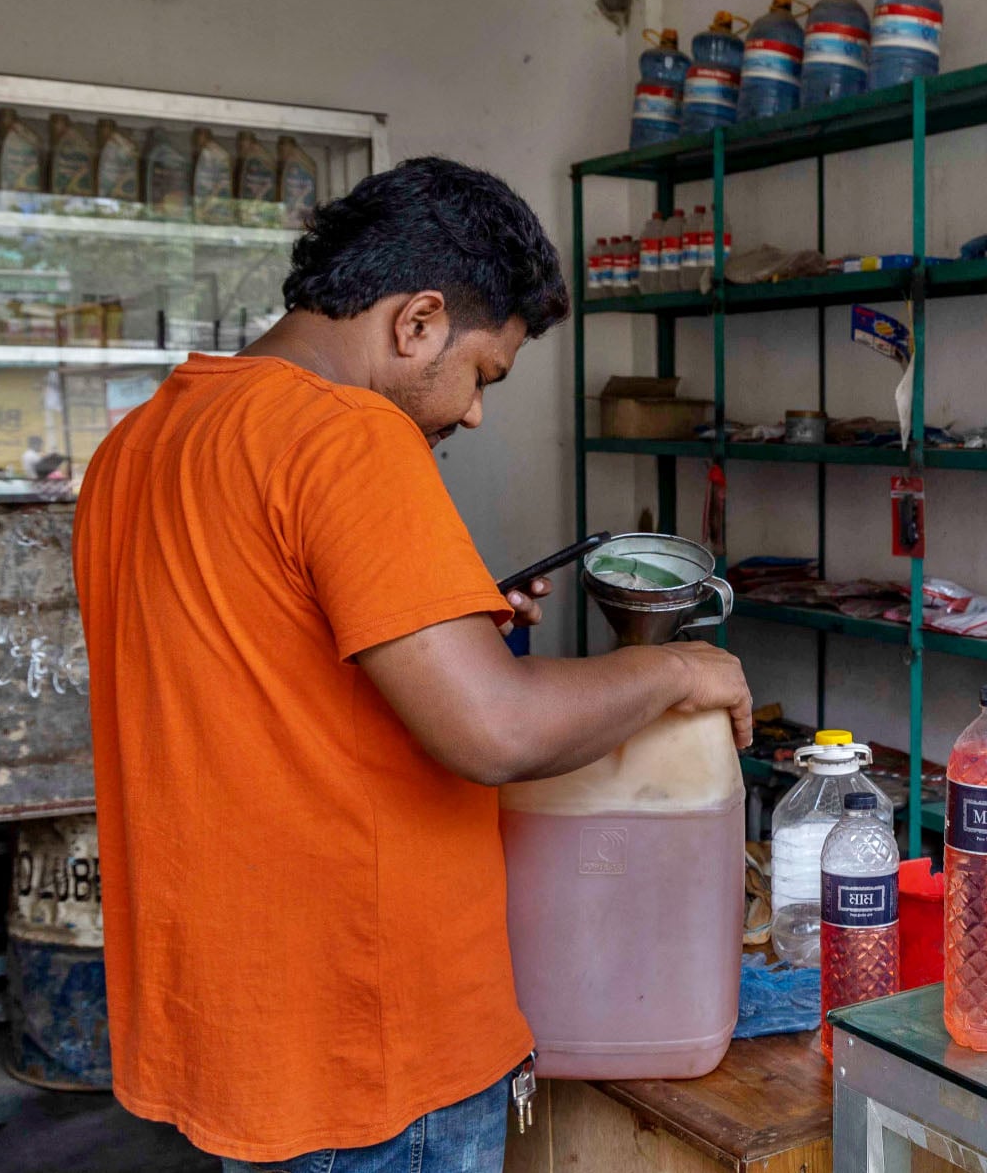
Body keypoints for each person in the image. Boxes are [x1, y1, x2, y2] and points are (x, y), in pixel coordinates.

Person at [73, 157, 753, 1172]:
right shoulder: (348, 436)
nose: (474, 411)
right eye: (483, 372)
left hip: (232, 1032)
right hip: (373, 1052)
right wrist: (682, 675)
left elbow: (264, 676)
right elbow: (498, 730)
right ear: (417, 321)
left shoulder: (138, 443)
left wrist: (466, 629)